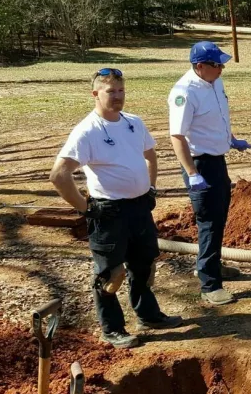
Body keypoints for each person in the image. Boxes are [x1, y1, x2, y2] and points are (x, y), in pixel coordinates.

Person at [50, 68, 183, 349]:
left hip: (139, 208)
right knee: (110, 274)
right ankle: (112, 329)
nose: (118, 96)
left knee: (144, 266)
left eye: (121, 90)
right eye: (111, 91)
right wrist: (86, 209)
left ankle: (149, 315)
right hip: (108, 212)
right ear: (95, 94)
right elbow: (59, 175)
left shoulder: (133, 123)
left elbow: (150, 156)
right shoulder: (87, 131)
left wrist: (150, 188)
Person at [169, 41, 251, 306]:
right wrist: (192, 173)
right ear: (199, 66)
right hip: (200, 164)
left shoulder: (214, 82)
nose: (222, 68)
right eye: (217, 64)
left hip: (217, 160)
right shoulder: (184, 92)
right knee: (208, 221)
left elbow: (217, 118)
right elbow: (177, 136)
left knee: (220, 217)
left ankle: (212, 265)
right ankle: (210, 284)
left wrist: (231, 139)